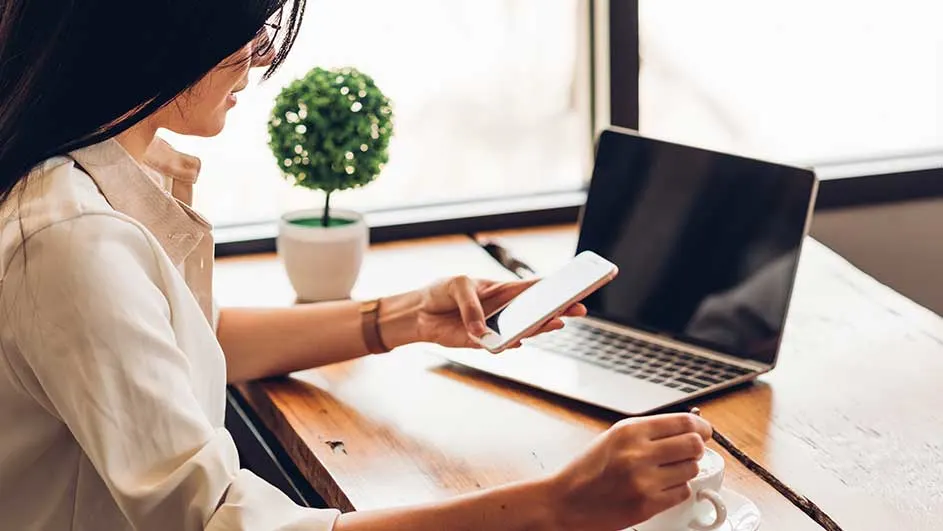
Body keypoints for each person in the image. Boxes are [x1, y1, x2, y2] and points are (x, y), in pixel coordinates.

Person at [0, 1, 713, 530]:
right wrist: (555, 502)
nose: (258, 52)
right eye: (250, 27)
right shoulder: (71, 239)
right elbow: (218, 522)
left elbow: (187, 338)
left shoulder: (89, 173)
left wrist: (403, 317)